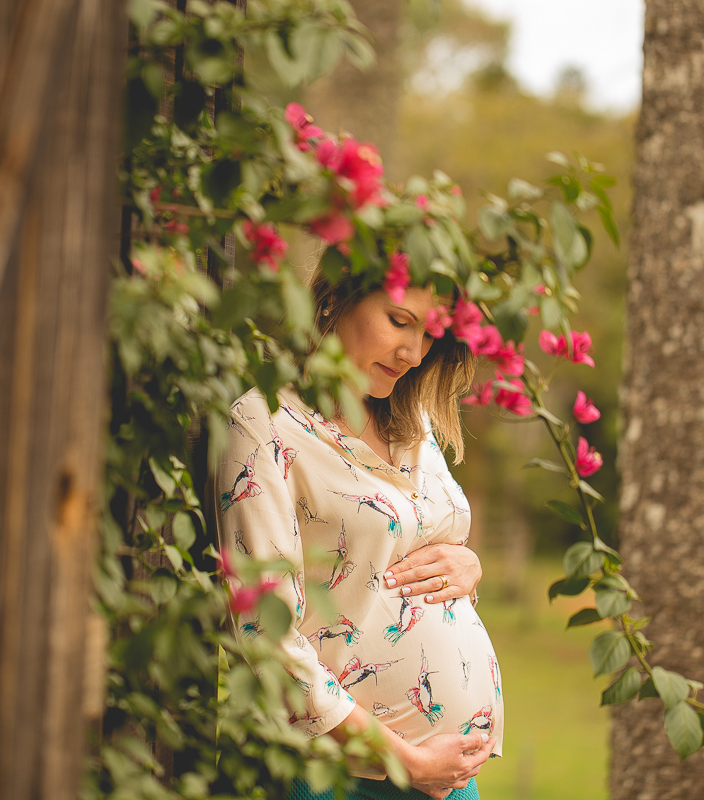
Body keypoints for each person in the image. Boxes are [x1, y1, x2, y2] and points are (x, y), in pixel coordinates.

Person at [213, 272, 504, 800]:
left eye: (429, 334)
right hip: (339, 772)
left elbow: (413, 543)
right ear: (335, 300)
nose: (413, 353)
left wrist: (468, 567)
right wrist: (408, 763)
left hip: (446, 777)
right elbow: (264, 631)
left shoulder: (408, 416)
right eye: (399, 321)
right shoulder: (266, 425)